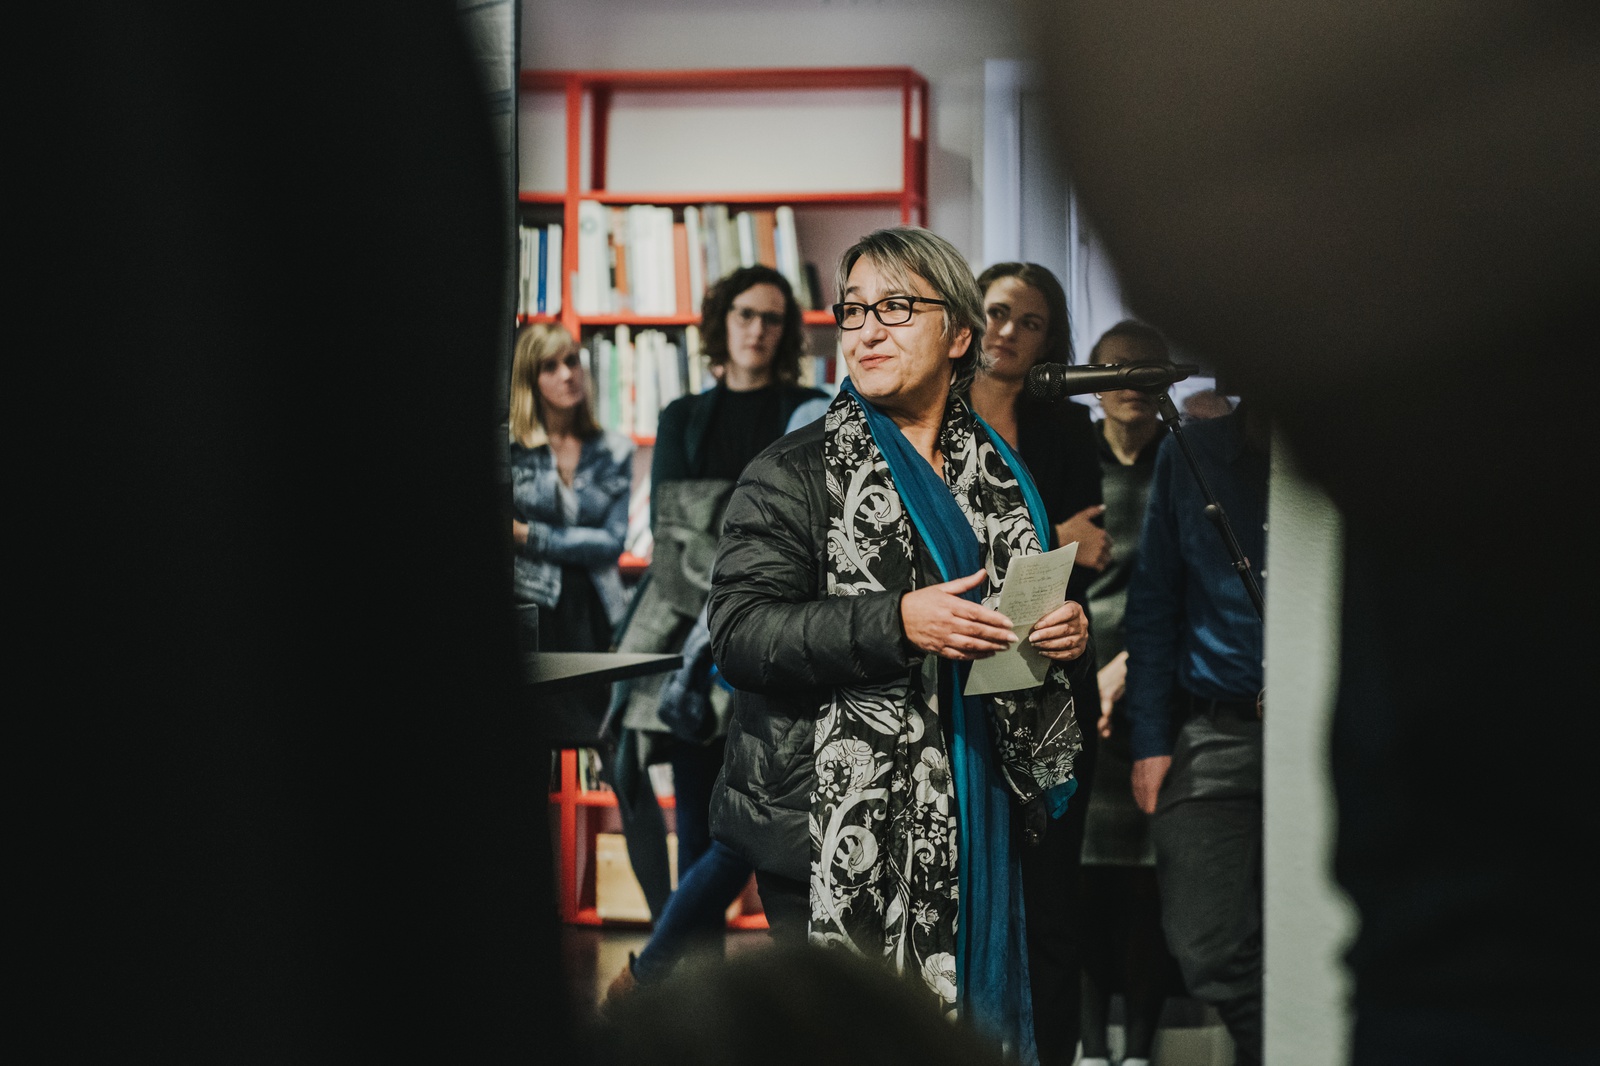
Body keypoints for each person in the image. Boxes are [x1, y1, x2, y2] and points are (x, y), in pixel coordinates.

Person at [708, 226, 1095, 1063]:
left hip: (985, 803)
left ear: (957, 335)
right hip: (826, 824)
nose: (867, 331)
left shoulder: (1000, 473)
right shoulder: (792, 472)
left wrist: (1061, 631)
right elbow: (739, 634)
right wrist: (897, 622)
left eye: (895, 308)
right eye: (853, 311)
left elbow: (1014, 624)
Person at [604, 264, 825, 992]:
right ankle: (688, 1006)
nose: (757, 329)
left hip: (774, 649)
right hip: (698, 652)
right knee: (700, 831)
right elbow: (673, 543)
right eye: (745, 314)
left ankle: (659, 980)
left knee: (746, 832)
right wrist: (748, 569)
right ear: (721, 322)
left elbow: (806, 536)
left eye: (771, 317)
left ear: (786, 331)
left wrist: (734, 542)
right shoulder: (685, 417)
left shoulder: (808, 411)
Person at [968, 260, 1107, 1066]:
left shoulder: (1068, 427)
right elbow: (942, 555)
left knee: (1053, 902)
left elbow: (1088, 558)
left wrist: (1058, 549)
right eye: (996, 312)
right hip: (956, 683)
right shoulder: (932, 416)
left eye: (1031, 322)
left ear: (1051, 341)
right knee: (970, 895)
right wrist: (1053, 538)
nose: (1007, 332)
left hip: (1053, 678)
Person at [1124, 397, 1269, 1066]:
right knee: (1204, 944)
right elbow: (1154, 599)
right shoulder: (1192, 451)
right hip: (1219, 724)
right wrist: (1151, 740)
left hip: (1327, 726)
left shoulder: (1351, 444)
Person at [1076, 321, 1187, 1066]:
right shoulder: (1069, 459)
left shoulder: (1185, 459)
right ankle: (1091, 1048)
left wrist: (1133, 671)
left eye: (1145, 370)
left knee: (1151, 877)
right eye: (1113, 369)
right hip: (1075, 685)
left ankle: (1140, 1050)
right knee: (1081, 873)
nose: (1129, 384)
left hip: (1159, 691)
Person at [508, 322, 634, 745]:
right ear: (529, 379)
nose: (567, 374)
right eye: (550, 366)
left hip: (595, 608)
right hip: (532, 606)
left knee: (604, 736)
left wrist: (528, 537)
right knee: (532, 738)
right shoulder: (512, 452)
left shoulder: (614, 449)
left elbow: (611, 543)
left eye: (572, 361)